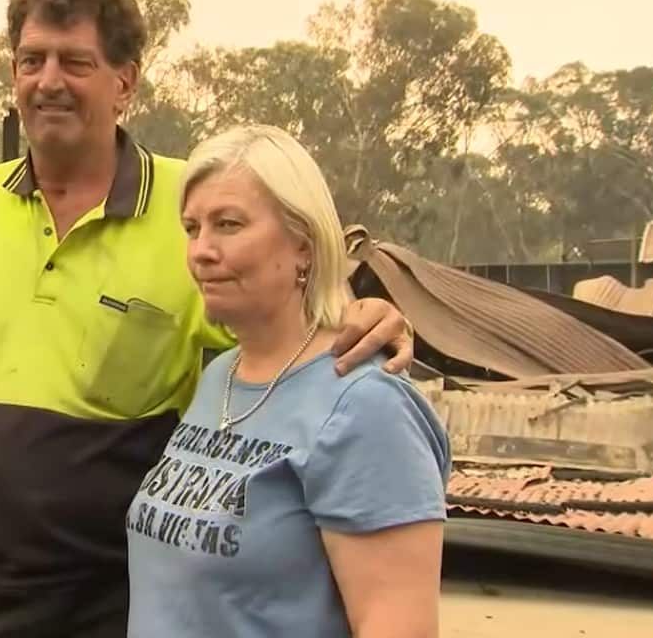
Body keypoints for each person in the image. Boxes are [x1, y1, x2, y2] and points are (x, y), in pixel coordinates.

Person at [0, 0, 415, 638]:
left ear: (126, 80)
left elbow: (283, 336)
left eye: (75, 61)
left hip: (118, 598)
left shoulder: (192, 205)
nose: (48, 80)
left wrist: (357, 314)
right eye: (32, 60)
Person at [126, 124, 450, 638]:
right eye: (192, 228)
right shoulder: (219, 378)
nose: (201, 251)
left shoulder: (365, 406)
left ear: (303, 243)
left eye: (228, 224)